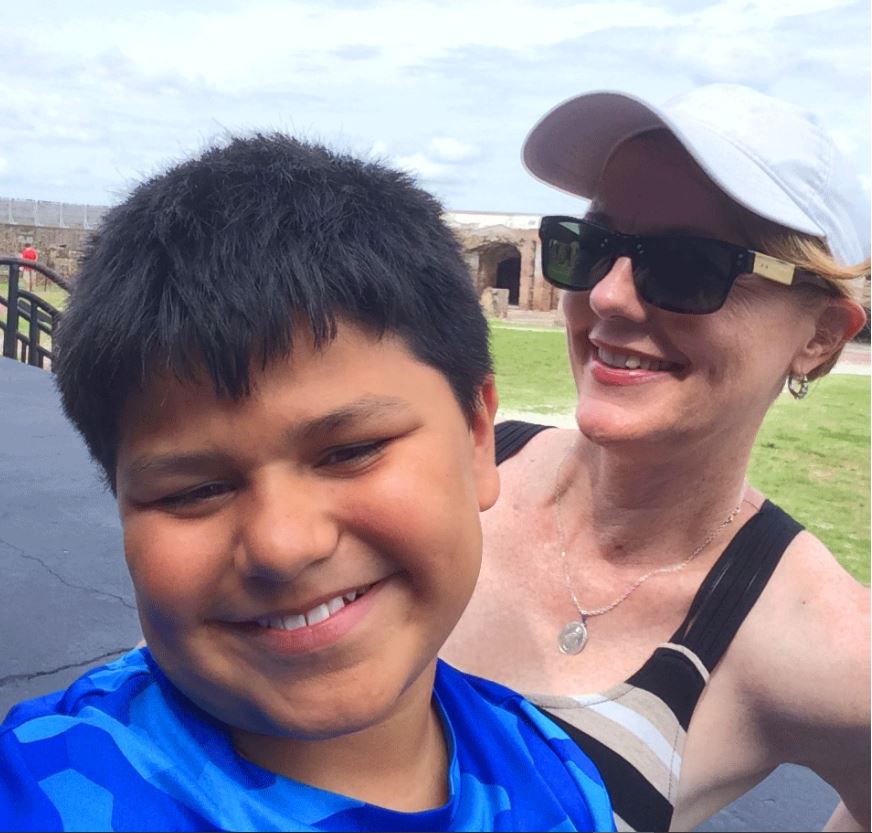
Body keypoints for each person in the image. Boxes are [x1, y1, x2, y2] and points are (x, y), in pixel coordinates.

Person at [0, 135, 614, 831]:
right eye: (192, 491)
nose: (283, 544)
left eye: (350, 450)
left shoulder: (556, 777)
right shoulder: (43, 793)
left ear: (478, 437)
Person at [442, 84, 870, 832]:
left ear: (820, 336)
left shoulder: (818, 639)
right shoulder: (460, 467)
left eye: (688, 266)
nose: (608, 296)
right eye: (592, 246)